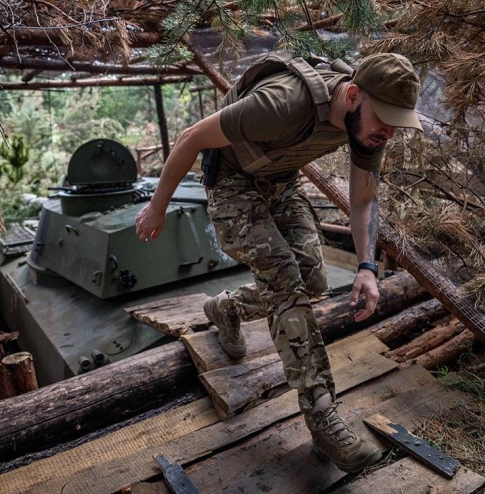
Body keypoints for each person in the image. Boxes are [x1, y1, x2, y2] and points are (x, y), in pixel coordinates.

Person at [135, 52, 422, 473]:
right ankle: (323, 415)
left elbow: (363, 199)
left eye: (397, 124)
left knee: (313, 279)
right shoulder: (282, 103)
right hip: (232, 185)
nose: (389, 133)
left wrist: (366, 268)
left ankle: (227, 308)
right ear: (354, 95)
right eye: (385, 120)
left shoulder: (367, 129)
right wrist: (157, 207)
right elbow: (190, 138)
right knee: (285, 280)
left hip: (279, 183)